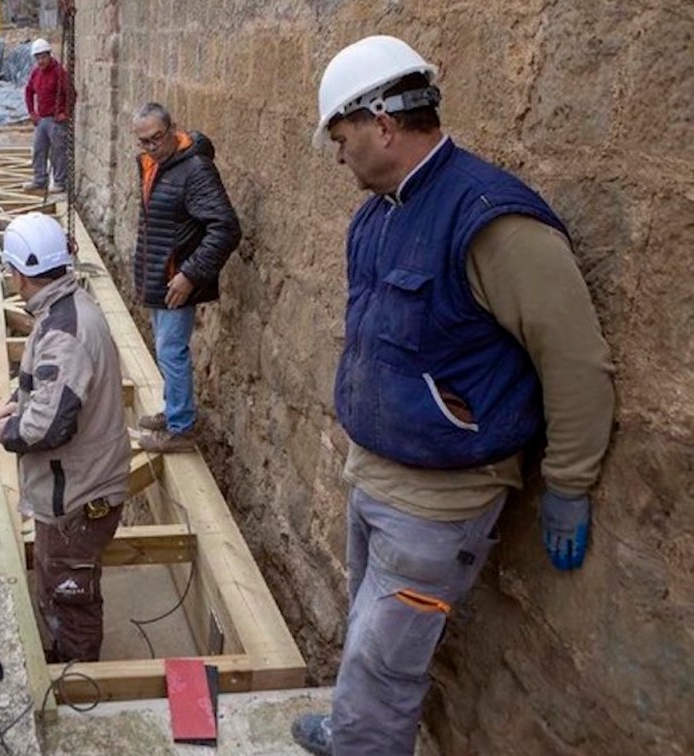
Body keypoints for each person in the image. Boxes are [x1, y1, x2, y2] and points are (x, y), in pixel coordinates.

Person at [291, 36, 616, 756]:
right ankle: (355, 727)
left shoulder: (492, 221)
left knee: (388, 657)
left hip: (440, 499)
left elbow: (574, 362)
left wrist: (566, 483)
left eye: (341, 138)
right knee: (368, 629)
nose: (337, 156)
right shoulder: (378, 214)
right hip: (375, 472)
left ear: (381, 123)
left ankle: (363, 742)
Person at [0, 212, 129, 662]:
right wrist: (19, 399)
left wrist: (8, 430)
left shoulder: (63, 331)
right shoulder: (65, 308)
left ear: (20, 273)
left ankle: (79, 672)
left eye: (9, 269)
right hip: (82, 483)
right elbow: (54, 385)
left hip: (79, 495)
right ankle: (63, 648)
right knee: (58, 576)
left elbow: (49, 427)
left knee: (72, 592)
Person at [129, 102, 241, 453]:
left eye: (157, 138)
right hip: (160, 274)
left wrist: (190, 275)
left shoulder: (195, 169)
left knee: (171, 350)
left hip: (178, 279)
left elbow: (225, 227)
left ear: (172, 130)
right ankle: (174, 409)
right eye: (143, 141)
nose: (151, 146)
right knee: (165, 350)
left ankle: (181, 428)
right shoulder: (153, 166)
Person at [23, 38, 73, 195]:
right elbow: (29, 91)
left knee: (58, 151)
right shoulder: (36, 73)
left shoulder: (59, 72)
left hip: (55, 119)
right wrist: (32, 112)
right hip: (42, 119)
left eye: (43, 57)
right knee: (38, 149)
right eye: (37, 58)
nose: (40, 61)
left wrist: (66, 112)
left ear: (49, 55)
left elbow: (71, 94)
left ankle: (59, 182)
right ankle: (39, 180)